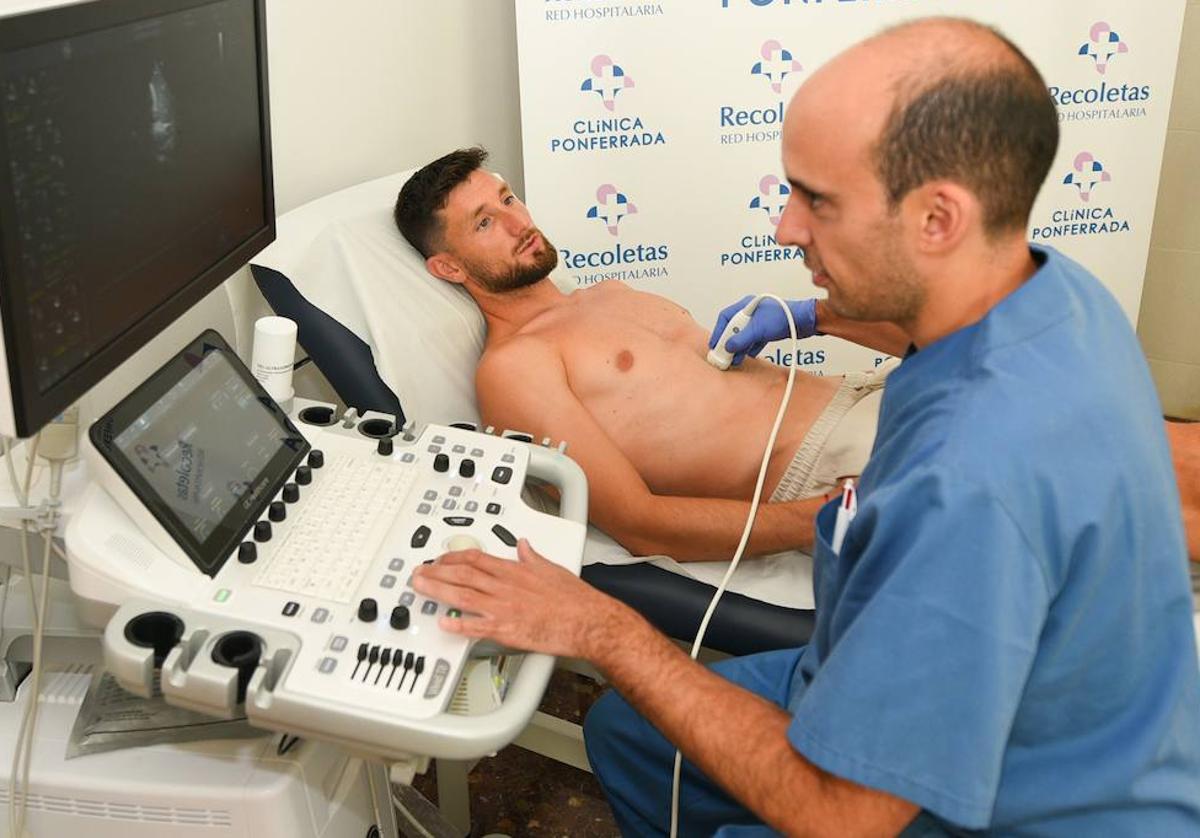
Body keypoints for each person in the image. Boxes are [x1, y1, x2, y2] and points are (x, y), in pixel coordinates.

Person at [411, 16, 1200, 835]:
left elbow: (843, 816)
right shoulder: (1060, 298)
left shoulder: (962, 490)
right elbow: (637, 515)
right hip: (1043, 688)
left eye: (817, 198)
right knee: (629, 732)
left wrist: (602, 627)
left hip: (1009, 799)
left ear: (939, 219)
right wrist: (812, 322)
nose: (785, 227)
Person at [394, 149, 1200, 565]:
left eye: (506, 198)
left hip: (874, 394)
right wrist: (819, 521)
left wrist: (810, 316)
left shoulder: (604, 293)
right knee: (1124, 474)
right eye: (483, 224)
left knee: (1129, 429)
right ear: (449, 268)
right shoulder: (514, 370)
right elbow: (636, 521)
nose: (516, 220)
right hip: (840, 461)